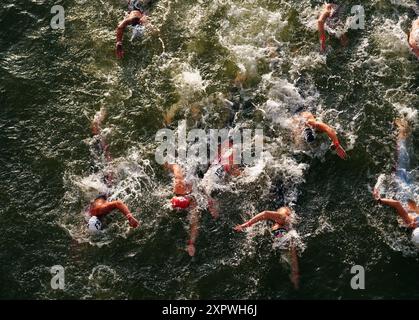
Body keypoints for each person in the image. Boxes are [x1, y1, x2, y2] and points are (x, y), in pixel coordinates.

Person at [86, 109, 139, 233]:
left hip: (103, 186)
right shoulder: (89, 216)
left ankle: (96, 126)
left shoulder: (99, 210)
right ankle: (96, 131)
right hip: (97, 188)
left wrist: (129, 217)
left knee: (107, 157)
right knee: (100, 156)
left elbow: (118, 203)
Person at [373, 118, 419, 246]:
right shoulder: (410, 222)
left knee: (404, 156)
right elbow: (397, 204)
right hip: (403, 185)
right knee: (401, 154)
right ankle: (400, 126)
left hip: (411, 188)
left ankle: (403, 129)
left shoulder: (412, 222)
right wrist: (379, 200)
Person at [234, 207, 300, 289]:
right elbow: (265, 213)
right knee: (287, 246)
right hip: (281, 223)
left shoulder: (286, 222)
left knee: (287, 246)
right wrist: (245, 225)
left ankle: (293, 273)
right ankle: (293, 273)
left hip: (283, 225)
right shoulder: (282, 218)